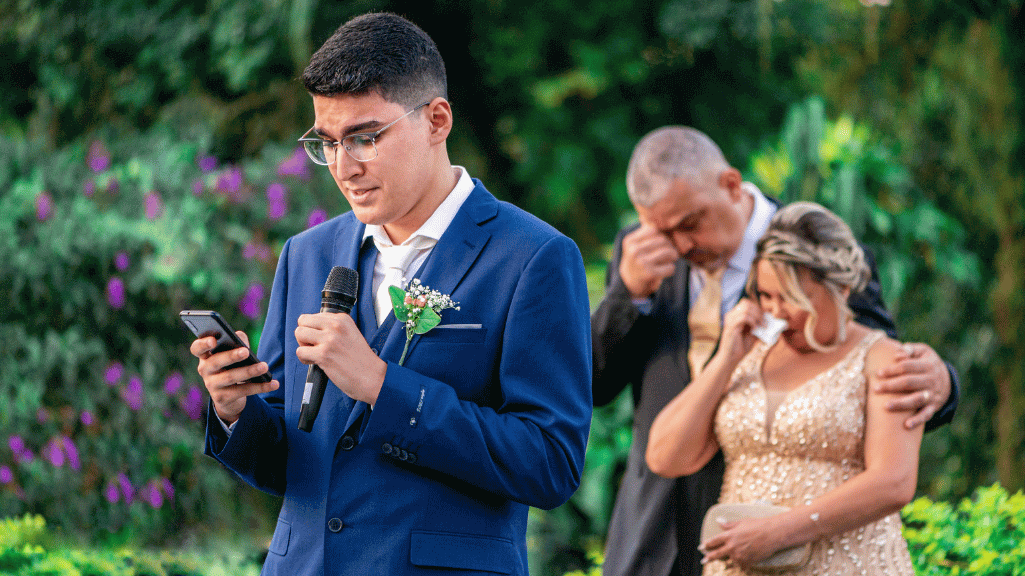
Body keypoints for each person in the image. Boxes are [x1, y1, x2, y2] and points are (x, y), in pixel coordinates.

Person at [188, 13, 592, 576]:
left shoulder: (533, 258)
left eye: (365, 138)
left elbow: (550, 464)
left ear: (437, 120)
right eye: (325, 143)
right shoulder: (306, 253)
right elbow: (289, 461)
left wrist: (382, 386)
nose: (343, 167)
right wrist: (235, 410)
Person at [591, 126, 959, 576]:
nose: (682, 246)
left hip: (795, 544)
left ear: (730, 184)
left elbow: (874, 370)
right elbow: (590, 384)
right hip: (653, 531)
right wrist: (626, 297)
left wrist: (942, 385)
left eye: (690, 224)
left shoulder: (828, 255)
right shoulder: (640, 259)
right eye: (664, 231)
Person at [646, 201, 922, 574]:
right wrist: (725, 360)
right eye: (766, 295)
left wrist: (779, 532)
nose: (776, 311)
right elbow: (665, 456)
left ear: (840, 288)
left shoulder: (884, 359)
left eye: (791, 297)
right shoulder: (746, 354)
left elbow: (894, 482)